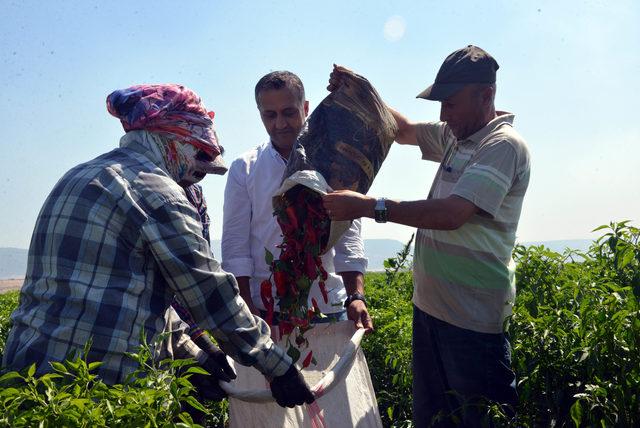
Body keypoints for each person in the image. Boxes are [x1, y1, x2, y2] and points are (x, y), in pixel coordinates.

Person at [2, 84, 314, 410]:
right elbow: (208, 292)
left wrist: (193, 354)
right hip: (95, 391)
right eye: (199, 158)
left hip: (28, 377)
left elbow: (130, 292)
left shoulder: (79, 175)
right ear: (172, 140)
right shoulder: (157, 191)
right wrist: (278, 367)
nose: (197, 178)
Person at [323, 46, 531, 427]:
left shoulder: (501, 146)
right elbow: (400, 130)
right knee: (434, 418)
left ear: (485, 96)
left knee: (479, 417)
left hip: (472, 320)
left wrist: (370, 207)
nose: (442, 115)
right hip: (432, 309)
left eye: (450, 104)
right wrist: (361, 91)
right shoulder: (457, 135)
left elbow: (453, 214)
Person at [221, 71, 382, 426]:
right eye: (270, 115)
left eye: (289, 112)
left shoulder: (329, 163)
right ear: (260, 115)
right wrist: (247, 311)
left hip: (325, 308)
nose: (281, 123)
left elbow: (349, 234)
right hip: (268, 313)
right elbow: (235, 249)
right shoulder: (245, 169)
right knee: (274, 413)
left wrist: (357, 295)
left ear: (306, 108)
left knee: (335, 409)